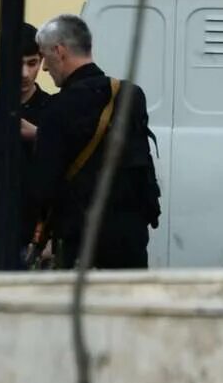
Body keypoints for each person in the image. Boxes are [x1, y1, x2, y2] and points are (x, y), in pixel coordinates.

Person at [29, 14, 161, 270]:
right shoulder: (131, 95)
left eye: (44, 57)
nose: (44, 68)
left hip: (82, 238)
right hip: (130, 236)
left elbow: (45, 184)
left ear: (59, 51)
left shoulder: (58, 109)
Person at [0, 23, 56, 254]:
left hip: (39, 235)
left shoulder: (56, 110)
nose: (23, 73)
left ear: (42, 61)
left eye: (32, 63)